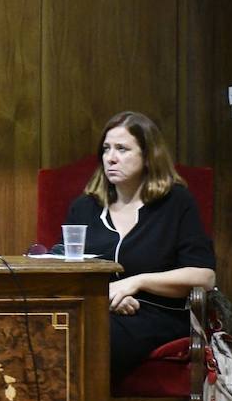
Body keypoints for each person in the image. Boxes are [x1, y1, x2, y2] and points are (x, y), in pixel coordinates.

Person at [64, 110, 215, 383]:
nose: (111, 158)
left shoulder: (175, 203)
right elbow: (67, 267)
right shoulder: (85, 208)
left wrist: (135, 283)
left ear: (148, 157)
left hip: (159, 315)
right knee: (57, 333)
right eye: (106, 149)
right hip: (99, 310)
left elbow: (203, 276)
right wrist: (107, 299)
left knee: (94, 339)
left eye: (122, 149)